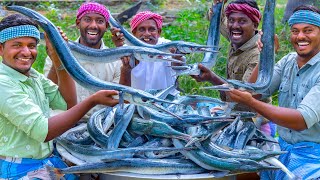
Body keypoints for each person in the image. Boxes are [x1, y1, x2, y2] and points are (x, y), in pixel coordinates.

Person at [0, 13, 118, 179]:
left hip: (43, 162)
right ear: (1, 48)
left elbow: (68, 103)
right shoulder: (3, 83)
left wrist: (58, 57)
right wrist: (92, 100)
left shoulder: (33, 76)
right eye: (17, 45)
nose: (26, 52)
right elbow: (44, 131)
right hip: (17, 168)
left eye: (32, 45)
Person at [227, 5, 320, 179]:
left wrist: (251, 102)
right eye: (295, 31)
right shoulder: (288, 61)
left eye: (308, 30)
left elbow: (301, 120)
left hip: (313, 156)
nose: (300, 36)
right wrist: (266, 55)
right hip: (282, 148)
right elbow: (256, 91)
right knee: (240, 169)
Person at [192, 0, 277, 137]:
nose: (235, 26)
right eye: (231, 20)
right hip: (234, 118)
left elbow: (241, 96)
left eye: (242, 21)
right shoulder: (239, 36)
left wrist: (211, 77)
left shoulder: (258, 54)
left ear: (255, 24)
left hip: (256, 127)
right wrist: (218, 3)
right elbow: (217, 20)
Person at [44, 2, 122, 119]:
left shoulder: (115, 61)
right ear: (78, 23)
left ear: (106, 26)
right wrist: (57, 59)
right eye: (87, 19)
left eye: (100, 21)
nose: (93, 25)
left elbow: (117, 100)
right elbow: (46, 94)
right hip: (63, 124)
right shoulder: (57, 53)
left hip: (100, 124)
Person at [112, 11, 180, 92]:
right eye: (142, 30)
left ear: (159, 32)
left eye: (152, 29)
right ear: (134, 33)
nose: (147, 34)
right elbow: (122, 89)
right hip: (136, 102)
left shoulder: (168, 47)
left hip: (166, 102)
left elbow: (178, 65)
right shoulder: (127, 50)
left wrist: (177, 56)